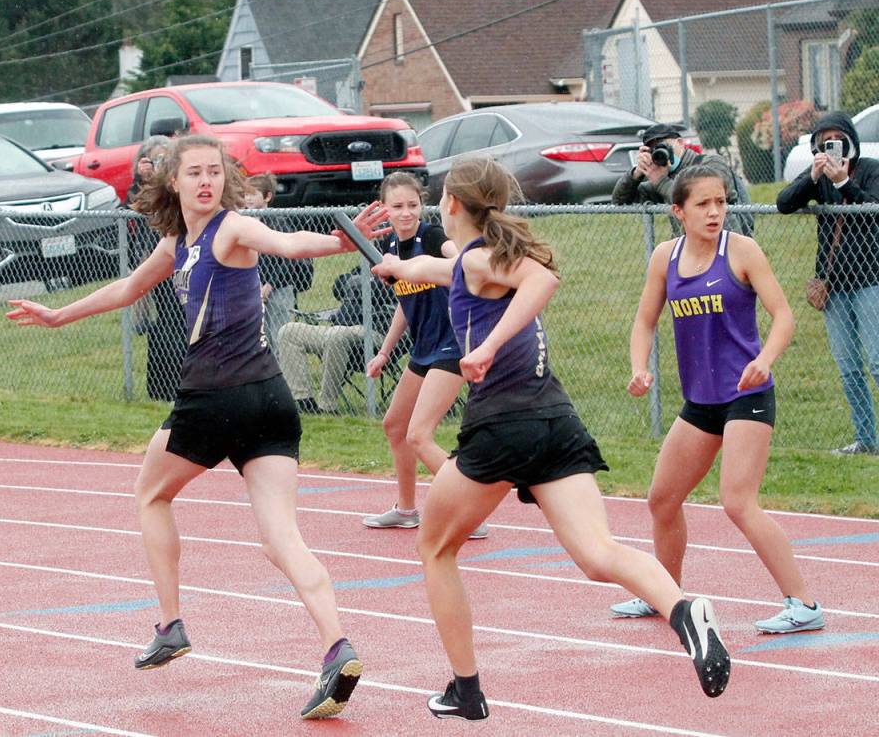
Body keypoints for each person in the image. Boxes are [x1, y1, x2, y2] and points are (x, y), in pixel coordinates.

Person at [7, 134, 392, 719]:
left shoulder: (232, 228)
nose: (207, 182)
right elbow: (130, 288)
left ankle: (170, 623)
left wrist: (337, 242)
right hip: (270, 402)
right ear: (175, 183)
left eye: (215, 172)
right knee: (279, 538)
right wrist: (60, 314)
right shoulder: (176, 243)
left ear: (225, 182)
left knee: (151, 494)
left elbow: (283, 243)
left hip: (217, 400)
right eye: (196, 174)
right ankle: (337, 648)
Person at [373, 156, 731, 720]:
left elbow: (543, 281)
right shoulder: (476, 260)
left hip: (501, 425)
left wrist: (488, 347)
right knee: (598, 554)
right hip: (555, 421)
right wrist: (396, 264)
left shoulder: (485, 260)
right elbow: (437, 266)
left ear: (452, 206)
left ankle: (467, 689)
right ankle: (684, 609)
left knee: (436, 548)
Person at [612, 165, 823, 635]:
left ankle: (804, 603)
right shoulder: (664, 258)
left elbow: (784, 315)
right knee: (662, 499)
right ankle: (665, 594)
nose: (714, 212)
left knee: (737, 501)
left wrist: (766, 358)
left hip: (746, 394)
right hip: (701, 401)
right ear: (678, 211)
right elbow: (645, 320)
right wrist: (638, 367)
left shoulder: (742, 251)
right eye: (703, 204)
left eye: (721, 202)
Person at [361, 172, 487, 540]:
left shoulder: (430, 237)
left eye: (412, 205)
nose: (405, 213)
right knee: (395, 426)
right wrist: (384, 351)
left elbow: (457, 257)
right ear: (384, 208)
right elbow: (406, 300)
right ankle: (405, 509)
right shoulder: (391, 252)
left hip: (453, 346)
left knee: (419, 435)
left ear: (422, 205)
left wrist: (470, 258)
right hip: (424, 349)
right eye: (397, 206)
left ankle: (471, 511)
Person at [777, 111, 879, 456]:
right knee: (849, 368)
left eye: (838, 140)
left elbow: (874, 208)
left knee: (878, 362)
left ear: (851, 140)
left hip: (870, 279)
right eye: (824, 143)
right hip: (834, 285)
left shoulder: (871, 170)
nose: (832, 147)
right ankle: (866, 441)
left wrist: (842, 183)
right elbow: (784, 203)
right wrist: (814, 176)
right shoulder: (818, 177)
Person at [277, 262, 395, 415]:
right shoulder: (368, 261)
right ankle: (303, 401)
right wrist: (359, 282)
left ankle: (327, 406)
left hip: (376, 334)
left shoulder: (401, 268)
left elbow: (386, 293)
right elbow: (339, 286)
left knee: (337, 334)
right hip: (340, 327)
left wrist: (367, 284)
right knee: (289, 331)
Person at [125, 136, 186, 402]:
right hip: (157, 259)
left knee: (186, 320)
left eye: (164, 158)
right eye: (154, 158)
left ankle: (188, 384)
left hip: (184, 259)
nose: (159, 164)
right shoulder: (145, 187)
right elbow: (135, 206)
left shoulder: (178, 182)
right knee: (166, 322)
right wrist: (141, 180)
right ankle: (164, 387)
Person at [613, 122, 753, 236]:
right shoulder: (662, 179)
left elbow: (699, 195)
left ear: (680, 143)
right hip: (688, 250)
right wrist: (636, 173)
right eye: (653, 149)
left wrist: (661, 182)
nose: (661, 152)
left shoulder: (711, 163)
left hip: (724, 242)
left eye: (663, 145)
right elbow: (619, 200)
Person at [243, 173, 314, 354]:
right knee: (260, 336)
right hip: (253, 288)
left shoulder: (277, 222)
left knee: (280, 333)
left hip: (278, 288)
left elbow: (287, 258)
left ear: (267, 197)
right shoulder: (243, 223)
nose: (248, 198)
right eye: (245, 194)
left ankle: (286, 374)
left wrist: (269, 285)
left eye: (253, 194)